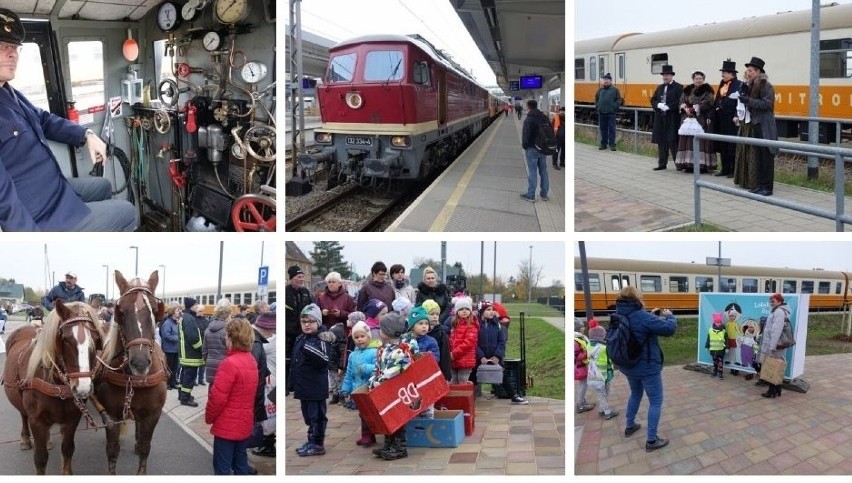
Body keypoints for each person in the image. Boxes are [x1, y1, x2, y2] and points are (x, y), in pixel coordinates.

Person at [0, 10, 136, 231]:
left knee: (103, 186)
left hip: (54, 189)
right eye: (3, 46)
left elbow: (43, 120)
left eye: (14, 48)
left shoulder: (8, 92)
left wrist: (86, 135)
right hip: (43, 215)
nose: (12, 54)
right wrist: (33, 243)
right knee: (127, 212)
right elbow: (3, 199)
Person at [615, 286, 677, 453]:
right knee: (655, 401)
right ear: (637, 298)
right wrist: (670, 316)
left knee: (635, 394)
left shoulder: (618, 314)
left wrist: (652, 316)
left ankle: (630, 426)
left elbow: (638, 327)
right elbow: (669, 329)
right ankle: (651, 439)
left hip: (628, 366)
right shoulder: (642, 316)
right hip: (647, 367)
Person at [204, 317, 258, 475]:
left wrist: (209, 417)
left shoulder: (229, 363)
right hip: (244, 423)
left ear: (231, 338)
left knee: (222, 468)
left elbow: (217, 398)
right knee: (241, 464)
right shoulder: (251, 360)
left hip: (226, 426)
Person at [368, 312, 418, 460]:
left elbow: (393, 371)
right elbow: (379, 366)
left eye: (381, 329)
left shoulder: (399, 350)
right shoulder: (386, 347)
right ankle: (388, 444)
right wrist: (374, 378)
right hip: (385, 389)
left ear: (388, 332)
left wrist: (378, 381)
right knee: (386, 418)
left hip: (394, 390)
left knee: (396, 420)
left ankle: (399, 448)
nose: (379, 331)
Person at [289, 304, 330, 457]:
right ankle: (310, 439)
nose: (307, 325)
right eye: (304, 321)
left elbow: (324, 359)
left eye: (311, 321)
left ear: (318, 322)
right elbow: (295, 362)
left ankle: (318, 443)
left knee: (317, 416)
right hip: (303, 387)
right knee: (307, 416)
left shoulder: (321, 338)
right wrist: (291, 383)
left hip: (315, 387)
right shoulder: (301, 338)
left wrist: (308, 347)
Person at [472, 301, 527, 404]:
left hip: (495, 356)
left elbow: (502, 341)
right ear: (481, 311)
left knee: (503, 375)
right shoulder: (476, 325)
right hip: (480, 357)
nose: (491, 312)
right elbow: (474, 342)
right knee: (473, 376)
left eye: (492, 309)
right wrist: (480, 356)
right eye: (488, 310)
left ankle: (514, 396)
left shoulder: (497, 325)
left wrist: (497, 355)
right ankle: (470, 399)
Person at [738, 56, 778, 196]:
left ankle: (768, 187)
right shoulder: (752, 85)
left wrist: (748, 100)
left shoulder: (765, 85)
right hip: (757, 123)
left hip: (765, 124)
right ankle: (761, 185)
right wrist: (744, 95)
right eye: (747, 71)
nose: (748, 73)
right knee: (760, 156)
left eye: (750, 71)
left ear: (758, 71)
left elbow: (767, 104)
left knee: (767, 156)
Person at [339, 320, 380, 446]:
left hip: (370, 388)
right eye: (356, 337)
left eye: (362, 336)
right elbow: (349, 374)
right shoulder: (352, 355)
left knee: (371, 413)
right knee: (363, 414)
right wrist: (345, 389)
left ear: (368, 336)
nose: (359, 339)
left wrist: (367, 367)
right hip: (358, 389)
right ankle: (367, 435)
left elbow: (379, 368)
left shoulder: (374, 351)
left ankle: (373, 433)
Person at [674, 71, 716, 173]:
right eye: (696, 78)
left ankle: (702, 166)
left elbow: (708, 103)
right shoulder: (687, 89)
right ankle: (689, 164)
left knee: (701, 142)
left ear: (703, 79)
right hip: (687, 120)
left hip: (701, 120)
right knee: (688, 142)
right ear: (693, 79)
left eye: (700, 78)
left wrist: (693, 109)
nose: (698, 80)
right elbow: (681, 101)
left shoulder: (707, 90)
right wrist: (685, 109)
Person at [711, 60, 743, 177]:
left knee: (732, 145)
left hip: (731, 120)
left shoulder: (738, 84)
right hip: (721, 119)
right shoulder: (722, 84)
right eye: (723, 72)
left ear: (731, 74)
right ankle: (724, 169)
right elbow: (717, 99)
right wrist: (715, 110)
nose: (722, 74)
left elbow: (740, 103)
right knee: (722, 144)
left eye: (724, 72)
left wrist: (736, 115)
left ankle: (733, 170)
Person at [251, 311, 275, 458]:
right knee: (270, 415)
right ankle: (267, 443)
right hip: (270, 383)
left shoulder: (260, 342)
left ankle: (267, 444)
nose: (272, 334)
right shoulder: (259, 343)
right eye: (271, 331)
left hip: (271, 383)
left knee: (270, 415)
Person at [285, 265, 313, 392]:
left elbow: (311, 308)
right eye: (299, 277)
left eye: (302, 277)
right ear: (291, 278)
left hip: (303, 331)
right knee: (288, 359)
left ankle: (299, 383)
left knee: (301, 359)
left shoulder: (306, 293)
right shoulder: (285, 292)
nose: (301, 279)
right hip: (289, 333)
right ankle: (287, 384)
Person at [650, 65, 683, 171]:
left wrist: (669, 107)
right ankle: (662, 163)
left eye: (667, 75)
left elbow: (680, 101)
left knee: (673, 141)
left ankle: (678, 164)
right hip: (660, 117)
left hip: (672, 117)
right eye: (664, 75)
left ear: (672, 76)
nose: (665, 77)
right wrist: (657, 105)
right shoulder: (660, 87)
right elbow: (653, 99)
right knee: (661, 141)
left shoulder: (679, 87)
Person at [520, 99, 551, 203]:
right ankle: (544, 195)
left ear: (528, 107)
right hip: (543, 149)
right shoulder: (544, 117)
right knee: (544, 172)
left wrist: (525, 146)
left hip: (532, 148)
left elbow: (526, 135)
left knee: (532, 172)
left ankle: (531, 195)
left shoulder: (529, 119)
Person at [760, 293, 790, 398]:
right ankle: (777, 389)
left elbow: (776, 331)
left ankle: (771, 391)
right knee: (776, 366)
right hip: (775, 345)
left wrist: (772, 346)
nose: (771, 303)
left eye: (773, 301)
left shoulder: (779, 312)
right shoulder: (778, 311)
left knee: (773, 367)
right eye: (770, 301)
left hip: (774, 346)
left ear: (780, 301)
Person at [586, 325, 617, 420]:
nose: (605, 336)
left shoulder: (588, 345)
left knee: (602, 392)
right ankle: (607, 411)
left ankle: (601, 409)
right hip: (604, 374)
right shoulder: (603, 347)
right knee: (603, 393)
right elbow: (611, 356)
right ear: (600, 336)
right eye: (603, 334)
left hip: (594, 374)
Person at [178, 297, 204, 407]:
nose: (197, 307)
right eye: (196, 305)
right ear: (191, 306)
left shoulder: (185, 316)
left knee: (184, 375)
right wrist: (201, 348)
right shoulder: (190, 319)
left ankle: (182, 394)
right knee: (189, 377)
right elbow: (193, 338)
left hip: (185, 353)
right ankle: (185, 398)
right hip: (191, 355)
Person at [448, 297, 479, 384]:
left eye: (467, 309)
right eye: (461, 309)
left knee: (462, 381)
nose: (464, 311)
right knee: (453, 381)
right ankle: (455, 398)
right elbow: (451, 341)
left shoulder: (472, 326)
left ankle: (464, 397)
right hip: (454, 359)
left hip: (465, 359)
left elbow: (468, 343)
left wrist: (454, 354)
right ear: (457, 311)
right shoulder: (455, 325)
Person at [203, 303, 232, 388]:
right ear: (226, 315)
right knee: (222, 388)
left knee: (212, 387)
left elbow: (204, 350)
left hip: (210, 362)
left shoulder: (208, 329)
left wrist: (207, 360)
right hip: (224, 363)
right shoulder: (227, 330)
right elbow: (230, 348)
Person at [422, 299, 452, 381]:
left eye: (437, 314)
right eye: (431, 314)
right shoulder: (419, 332)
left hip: (437, 371)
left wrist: (446, 376)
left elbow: (445, 356)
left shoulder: (441, 333)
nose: (435, 316)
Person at [595, 74, 622, 151]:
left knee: (611, 129)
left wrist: (614, 107)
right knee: (603, 129)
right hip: (602, 112)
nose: (606, 81)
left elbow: (619, 100)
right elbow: (596, 99)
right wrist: (597, 106)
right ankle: (603, 144)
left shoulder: (615, 90)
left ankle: (612, 145)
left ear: (610, 81)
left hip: (611, 113)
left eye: (607, 80)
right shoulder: (600, 90)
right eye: (605, 80)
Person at [574, 318, 594, 413]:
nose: (583, 328)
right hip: (580, 367)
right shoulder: (575, 340)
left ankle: (583, 401)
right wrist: (587, 353)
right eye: (581, 326)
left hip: (583, 365)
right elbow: (576, 356)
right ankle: (580, 405)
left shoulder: (580, 337)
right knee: (583, 385)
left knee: (583, 384)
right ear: (577, 328)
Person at [160, 304, 181, 390]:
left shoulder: (176, 322)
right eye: (177, 310)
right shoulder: (167, 323)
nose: (179, 312)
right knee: (169, 367)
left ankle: (172, 383)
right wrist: (178, 338)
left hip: (176, 349)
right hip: (169, 350)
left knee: (175, 368)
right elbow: (166, 336)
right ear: (172, 312)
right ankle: (167, 383)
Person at [705, 313, 727, 379]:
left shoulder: (723, 331)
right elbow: (708, 339)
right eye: (717, 322)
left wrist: (727, 347)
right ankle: (715, 372)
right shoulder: (710, 330)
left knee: (720, 362)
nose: (718, 324)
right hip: (713, 349)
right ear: (714, 322)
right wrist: (707, 346)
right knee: (715, 362)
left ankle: (720, 373)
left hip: (721, 350)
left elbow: (726, 339)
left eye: (719, 322)